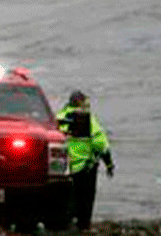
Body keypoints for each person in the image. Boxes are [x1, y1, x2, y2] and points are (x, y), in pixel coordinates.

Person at [56, 90, 115, 231]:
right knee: (86, 199)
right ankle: (83, 226)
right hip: (85, 167)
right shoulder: (87, 119)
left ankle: (62, 224)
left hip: (62, 167)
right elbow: (100, 144)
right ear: (82, 102)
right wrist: (109, 164)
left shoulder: (59, 117)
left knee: (64, 199)